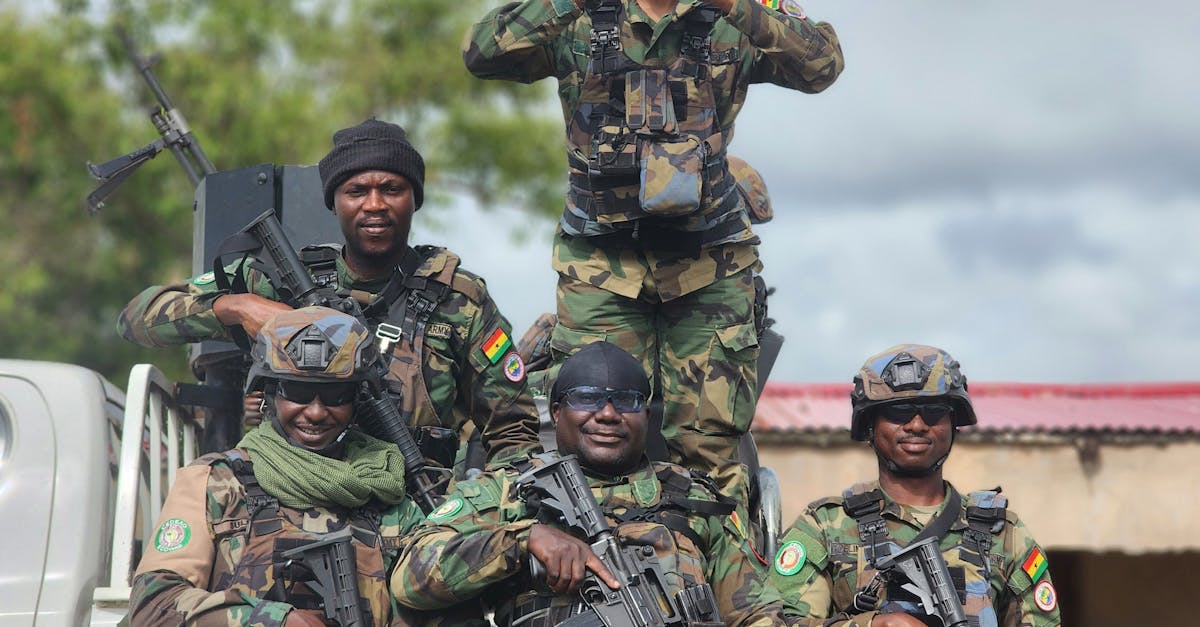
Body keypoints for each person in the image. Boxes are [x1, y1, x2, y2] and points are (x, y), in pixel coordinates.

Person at [463, 0, 844, 501]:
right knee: (591, 440)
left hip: (709, 264)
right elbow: (482, 52)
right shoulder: (578, 19)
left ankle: (715, 567)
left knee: (709, 452)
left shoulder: (731, 19)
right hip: (601, 266)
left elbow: (822, 65)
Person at [118, 118, 541, 469]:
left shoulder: (458, 299)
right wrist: (238, 306)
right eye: (356, 191)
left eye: (392, 189)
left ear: (415, 199)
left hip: (417, 513)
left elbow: (513, 429)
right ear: (333, 202)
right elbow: (137, 317)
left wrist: (475, 510)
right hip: (289, 500)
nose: (375, 205)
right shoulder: (281, 280)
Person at [390, 341, 802, 627]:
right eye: (586, 398)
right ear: (556, 411)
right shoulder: (504, 492)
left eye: (626, 401)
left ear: (645, 416)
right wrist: (522, 541)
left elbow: (754, 612)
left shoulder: (695, 499)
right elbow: (410, 577)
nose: (607, 414)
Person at [128, 307, 427, 626]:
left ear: (356, 401)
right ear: (269, 393)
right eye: (297, 391)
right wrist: (275, 622)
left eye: (334, 394)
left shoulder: (388, 492)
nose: (315, 412)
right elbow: (153, 607)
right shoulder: (217, 482)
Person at [767, 345, 1063, 627]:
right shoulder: (826, 525)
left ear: (952, 424)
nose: (917, 425)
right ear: (870, 425)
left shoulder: (1005, 534)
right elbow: (773, 621)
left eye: (933, 411)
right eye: (898, 412)